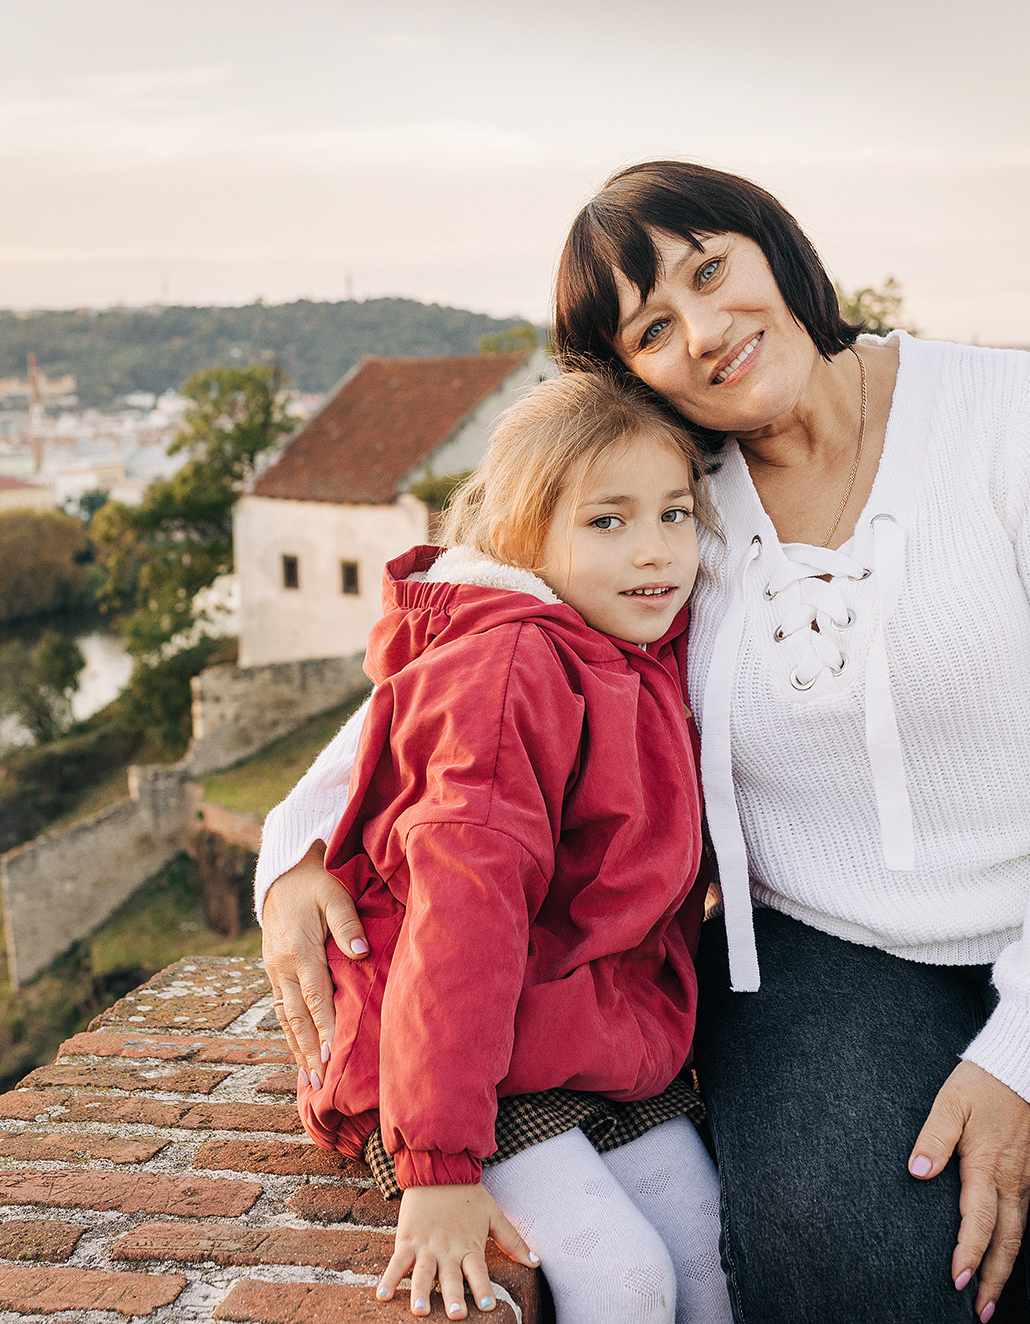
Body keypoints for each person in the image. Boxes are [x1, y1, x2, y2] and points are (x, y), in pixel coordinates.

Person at [257, 161, 1030, 1323]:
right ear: (625, 377)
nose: (704, 331)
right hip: (822, 954)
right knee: (838, 1277)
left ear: (771, 247)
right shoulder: (664, 502)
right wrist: (295, 850)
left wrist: (1028, 1051)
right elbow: (472, 659)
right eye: (652, 328)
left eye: (710, 269)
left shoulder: (1020, 416)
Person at [296, 372, 731, 1324]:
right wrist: (440, 1166)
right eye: (607, 522)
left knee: (709, 1251)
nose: (656, 552)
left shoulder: (629, 643)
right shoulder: (508, 671)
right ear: (523, 536)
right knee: (624, 1278)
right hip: (457, 1059)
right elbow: (463, 921)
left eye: (673, 514)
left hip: (584, 1034)